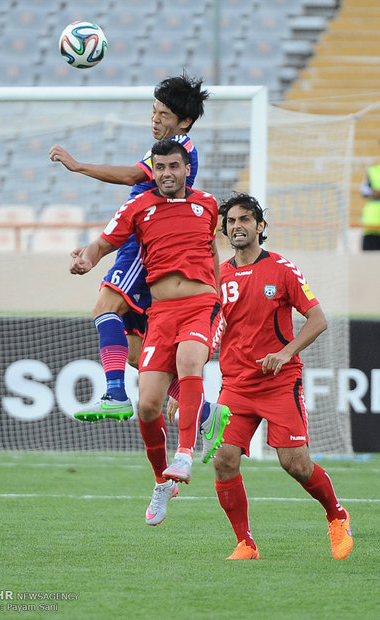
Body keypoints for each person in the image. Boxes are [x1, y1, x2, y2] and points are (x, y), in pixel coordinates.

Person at [69, 139, 230, 525]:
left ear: (187, 168)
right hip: (161, 312)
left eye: (174, 166)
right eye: (160, 167)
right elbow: (104, 243)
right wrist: (85, 259)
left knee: (190, 360)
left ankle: (185, 454)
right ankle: (162, 482)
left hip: (198, 305)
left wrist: (219, 299)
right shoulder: (138, 207)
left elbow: (211, 252)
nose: (167, 173)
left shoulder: (207, 204)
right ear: (153, 170)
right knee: (147, 405)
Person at [50, 73, 210, 420]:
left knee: (103, 307)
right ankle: (206, 413)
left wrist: (78, 166)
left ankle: (115, 394)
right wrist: (94, 249)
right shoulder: (166, 149)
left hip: (143, 244)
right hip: (138, 239)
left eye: (164, 114)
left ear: (184, 121)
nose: (155, 119)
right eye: (154, 111)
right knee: (139, 354)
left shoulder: (181, 149)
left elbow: (132, 178)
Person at [213, 192, 353, 561]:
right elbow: (208, 330)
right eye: (231, 221)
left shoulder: (282, 270)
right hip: (236, 386)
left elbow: (318, 319)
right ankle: (245, 543)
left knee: (295, 464)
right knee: (223, 459)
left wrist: (286, 351)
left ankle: (337, 515)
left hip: (279, 383)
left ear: (261, 227)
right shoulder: (218, 276)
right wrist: (184, 382)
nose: (237, 226)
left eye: (245, 220)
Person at [360, 150, 380, 250]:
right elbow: (363, 190)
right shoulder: (374, 170)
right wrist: (373, 193)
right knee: (369, 261)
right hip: (372, 225)